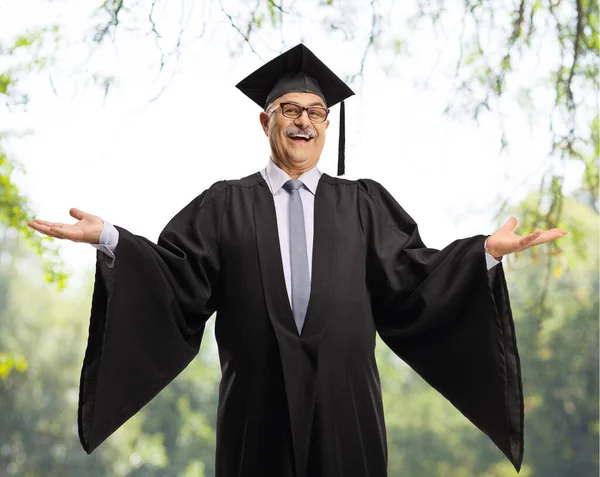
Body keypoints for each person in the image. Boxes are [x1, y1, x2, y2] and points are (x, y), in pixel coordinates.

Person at [28, 44, 567, 477]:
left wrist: (484, 254)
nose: (303, 121)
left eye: (316, 112)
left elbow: (413, 280)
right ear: (265, 121)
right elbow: (176, 279)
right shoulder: (224, 204)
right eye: (290, 110)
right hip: (254, 412)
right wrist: (114, 239)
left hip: (346, 408)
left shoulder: (363, 203)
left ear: (328, 125)